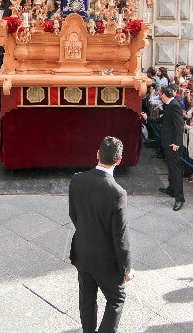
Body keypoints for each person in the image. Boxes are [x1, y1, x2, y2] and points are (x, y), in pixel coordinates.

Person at [68, 136, 133, 333]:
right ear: (119, 160)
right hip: (106, 259)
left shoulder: (77, 179)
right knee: (116, 299)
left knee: (87, 299)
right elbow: (120, 236)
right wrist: (126, 268)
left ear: (97, 155)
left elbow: (74, 214)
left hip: (82, 251)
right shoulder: (117, 192)